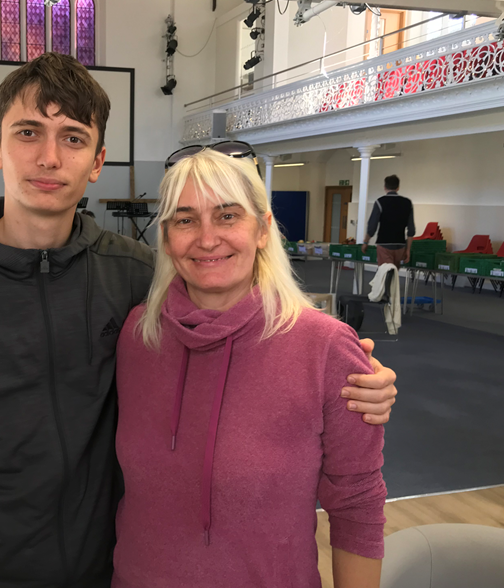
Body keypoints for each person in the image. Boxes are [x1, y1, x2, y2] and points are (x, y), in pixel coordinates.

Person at [0, 53, 398, 587]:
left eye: (73, 138)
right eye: (28, 132)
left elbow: (231, 305)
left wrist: (353, 372)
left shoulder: (134, 277)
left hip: (104, 571)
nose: (49, 158)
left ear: (97, 160)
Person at [115, 148, 386, 588]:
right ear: (165, 239)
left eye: (227, 216)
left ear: (262, 229)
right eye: (185, 220)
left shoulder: (325, 347)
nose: (206, 239)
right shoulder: (138, 336)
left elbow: (357, 503)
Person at [362, 174, 415, 266]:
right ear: (398, 188)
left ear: (385, 187)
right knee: (393, 274)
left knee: (385, 274)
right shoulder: (407, 203)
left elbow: (372, 227)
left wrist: (366, 242)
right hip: (400, 245)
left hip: (384, 244)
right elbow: (411, 230)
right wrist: (408, 250)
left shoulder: (380, 202)